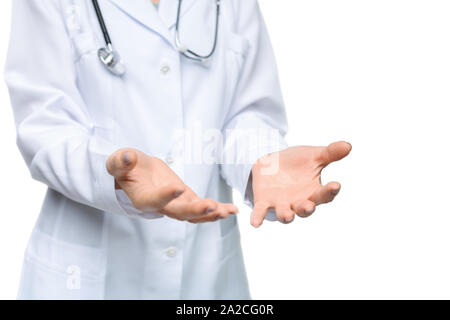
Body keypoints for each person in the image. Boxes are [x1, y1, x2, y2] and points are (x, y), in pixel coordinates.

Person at [5, 0, 351, 299]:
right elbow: (45, 126)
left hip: (206, 277)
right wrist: (111, 174)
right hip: (83, 277)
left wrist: (263, 162)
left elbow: (246, 115)